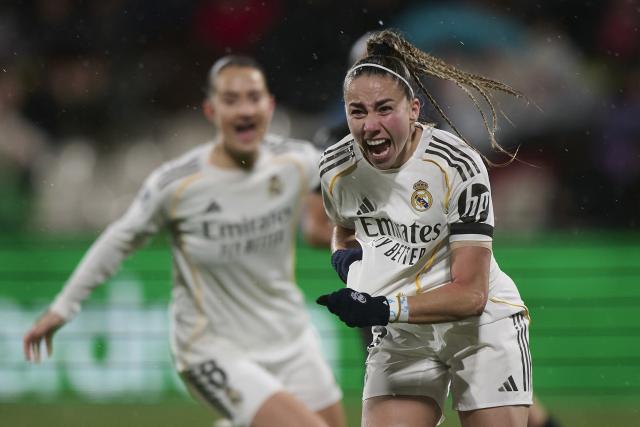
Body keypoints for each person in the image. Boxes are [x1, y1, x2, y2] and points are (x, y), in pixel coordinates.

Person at [23, 55, 346, 427]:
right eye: (231, 99)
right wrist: (63, 308)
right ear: (211, 110)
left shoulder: (297, 162)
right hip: (211, 348)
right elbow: (117, 241)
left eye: (253, 97)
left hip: (289, 338)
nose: (244, 109)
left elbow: (352, 193)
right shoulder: (177, 184)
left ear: (269, 106)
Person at [316, 30, 532, 427]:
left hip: (479, 328)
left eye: (384, 109)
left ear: (414, 109)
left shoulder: (456, 165)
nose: (370, 125)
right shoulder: (336, 168)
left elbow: (471, 294)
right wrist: (349, 267)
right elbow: (343, 229)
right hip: (403, 334)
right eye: (357, 111)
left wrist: (383, 306)